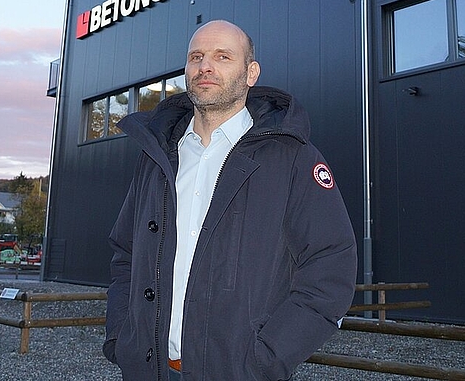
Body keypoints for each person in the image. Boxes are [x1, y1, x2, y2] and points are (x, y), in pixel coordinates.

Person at [102, 20, 357, 381]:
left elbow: (331, 267)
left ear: (250, 72)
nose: (206, 66)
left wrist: (265, 358)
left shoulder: (291, 157)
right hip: (149, 371)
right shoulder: (156, 156)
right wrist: (121, 336)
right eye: (197, 57)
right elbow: (125, 254)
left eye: (223, 56)